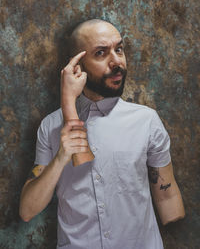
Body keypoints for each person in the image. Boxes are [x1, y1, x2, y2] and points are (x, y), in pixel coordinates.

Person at [19, 19, 185, 249]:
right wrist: (60, 159)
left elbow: (167, 197)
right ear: (77, 65)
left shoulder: (146, 121)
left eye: (119, 49)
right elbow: (27, 211)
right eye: (101, 53)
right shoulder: (50, 126)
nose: (117, 62)